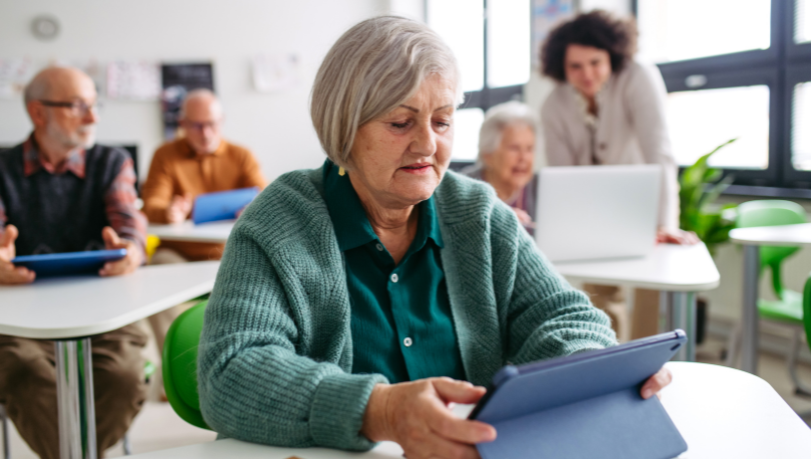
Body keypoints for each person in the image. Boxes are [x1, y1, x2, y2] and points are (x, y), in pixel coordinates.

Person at [197, 16, 672, 458]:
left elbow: (567, 318)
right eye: (400, 123)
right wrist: (380, 411)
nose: (428, 144)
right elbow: (230, 374)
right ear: (344, 127)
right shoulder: (279, 222)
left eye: (442, 121)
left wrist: (593, 372)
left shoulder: (477, 212)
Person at [0, 66, 148, 459]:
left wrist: (130, 249)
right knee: (24, 372)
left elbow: (129, 225)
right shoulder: (2, 168)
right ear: (38, 112)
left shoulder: (111, 161)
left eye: (94, 105)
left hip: (105, 311)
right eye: (78, 106)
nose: (93, 117)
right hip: (19, 318)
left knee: (124, 376)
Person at [539, 10, 698, 340]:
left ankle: (648, 361)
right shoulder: (553, 104)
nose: (587, 74)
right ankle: (608, 355)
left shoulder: (638, 76)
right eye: (575, 66)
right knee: (601, 296)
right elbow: (563, 178)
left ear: (611, 56)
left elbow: (659, 151)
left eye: (595, 62)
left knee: (652, 288)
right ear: (561, 67)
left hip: (645, 205)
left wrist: (665, 223)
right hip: (594, 215)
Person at [140, 89, 266, 263]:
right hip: (178, 251)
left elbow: (264, 197)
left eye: (211, 124)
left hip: (231, 250)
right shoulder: (164, 155)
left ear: (221, 120)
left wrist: (252, 209)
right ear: (182, 123)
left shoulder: (241, 155)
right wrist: (168, 213)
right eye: (197, 126)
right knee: (162, 261)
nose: (205, 134)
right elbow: (151, 204)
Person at [461, 101, 537, 235]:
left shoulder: (540, 187)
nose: (523, 158)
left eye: (529, 148)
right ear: (488, 154)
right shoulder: (463, 189)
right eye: (514, 148)